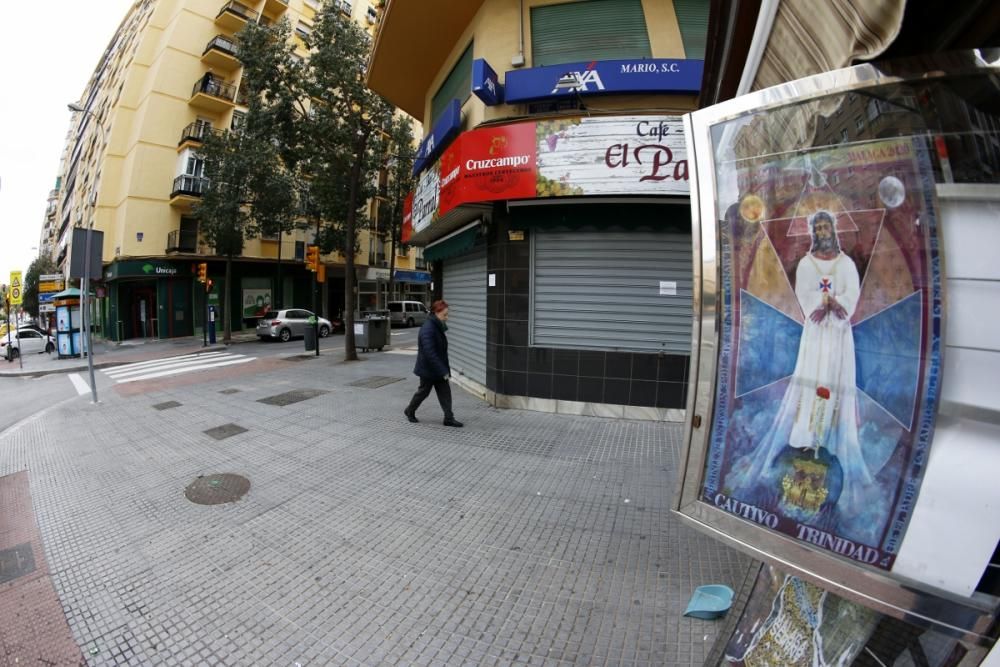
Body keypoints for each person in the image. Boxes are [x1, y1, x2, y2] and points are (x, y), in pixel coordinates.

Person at [739, 209, 872, 512]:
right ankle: (806, 436)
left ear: (834, 230)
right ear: (813, 232)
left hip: (839, 334)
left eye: (827, 226)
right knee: (811, 380)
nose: (823, 231)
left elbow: (851, 292)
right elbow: (806, 293)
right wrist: (822, 302)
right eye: (819, 227)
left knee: (836, 382)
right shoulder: (806, 264)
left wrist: (837, 304)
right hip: (815, 335)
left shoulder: (847, 263)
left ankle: (832, 439)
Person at [405, 300, 463, 427]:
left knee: (445, 393)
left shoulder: (436, 325)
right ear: (436, 313)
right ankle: (410, 410)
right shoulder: (428, 329)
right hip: (428, 369)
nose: (447, 318)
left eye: (447, 315)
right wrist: (443, 371)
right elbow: (430, 353)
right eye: (445, 315)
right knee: (423, 392)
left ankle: (448, 418)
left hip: (437, 368)